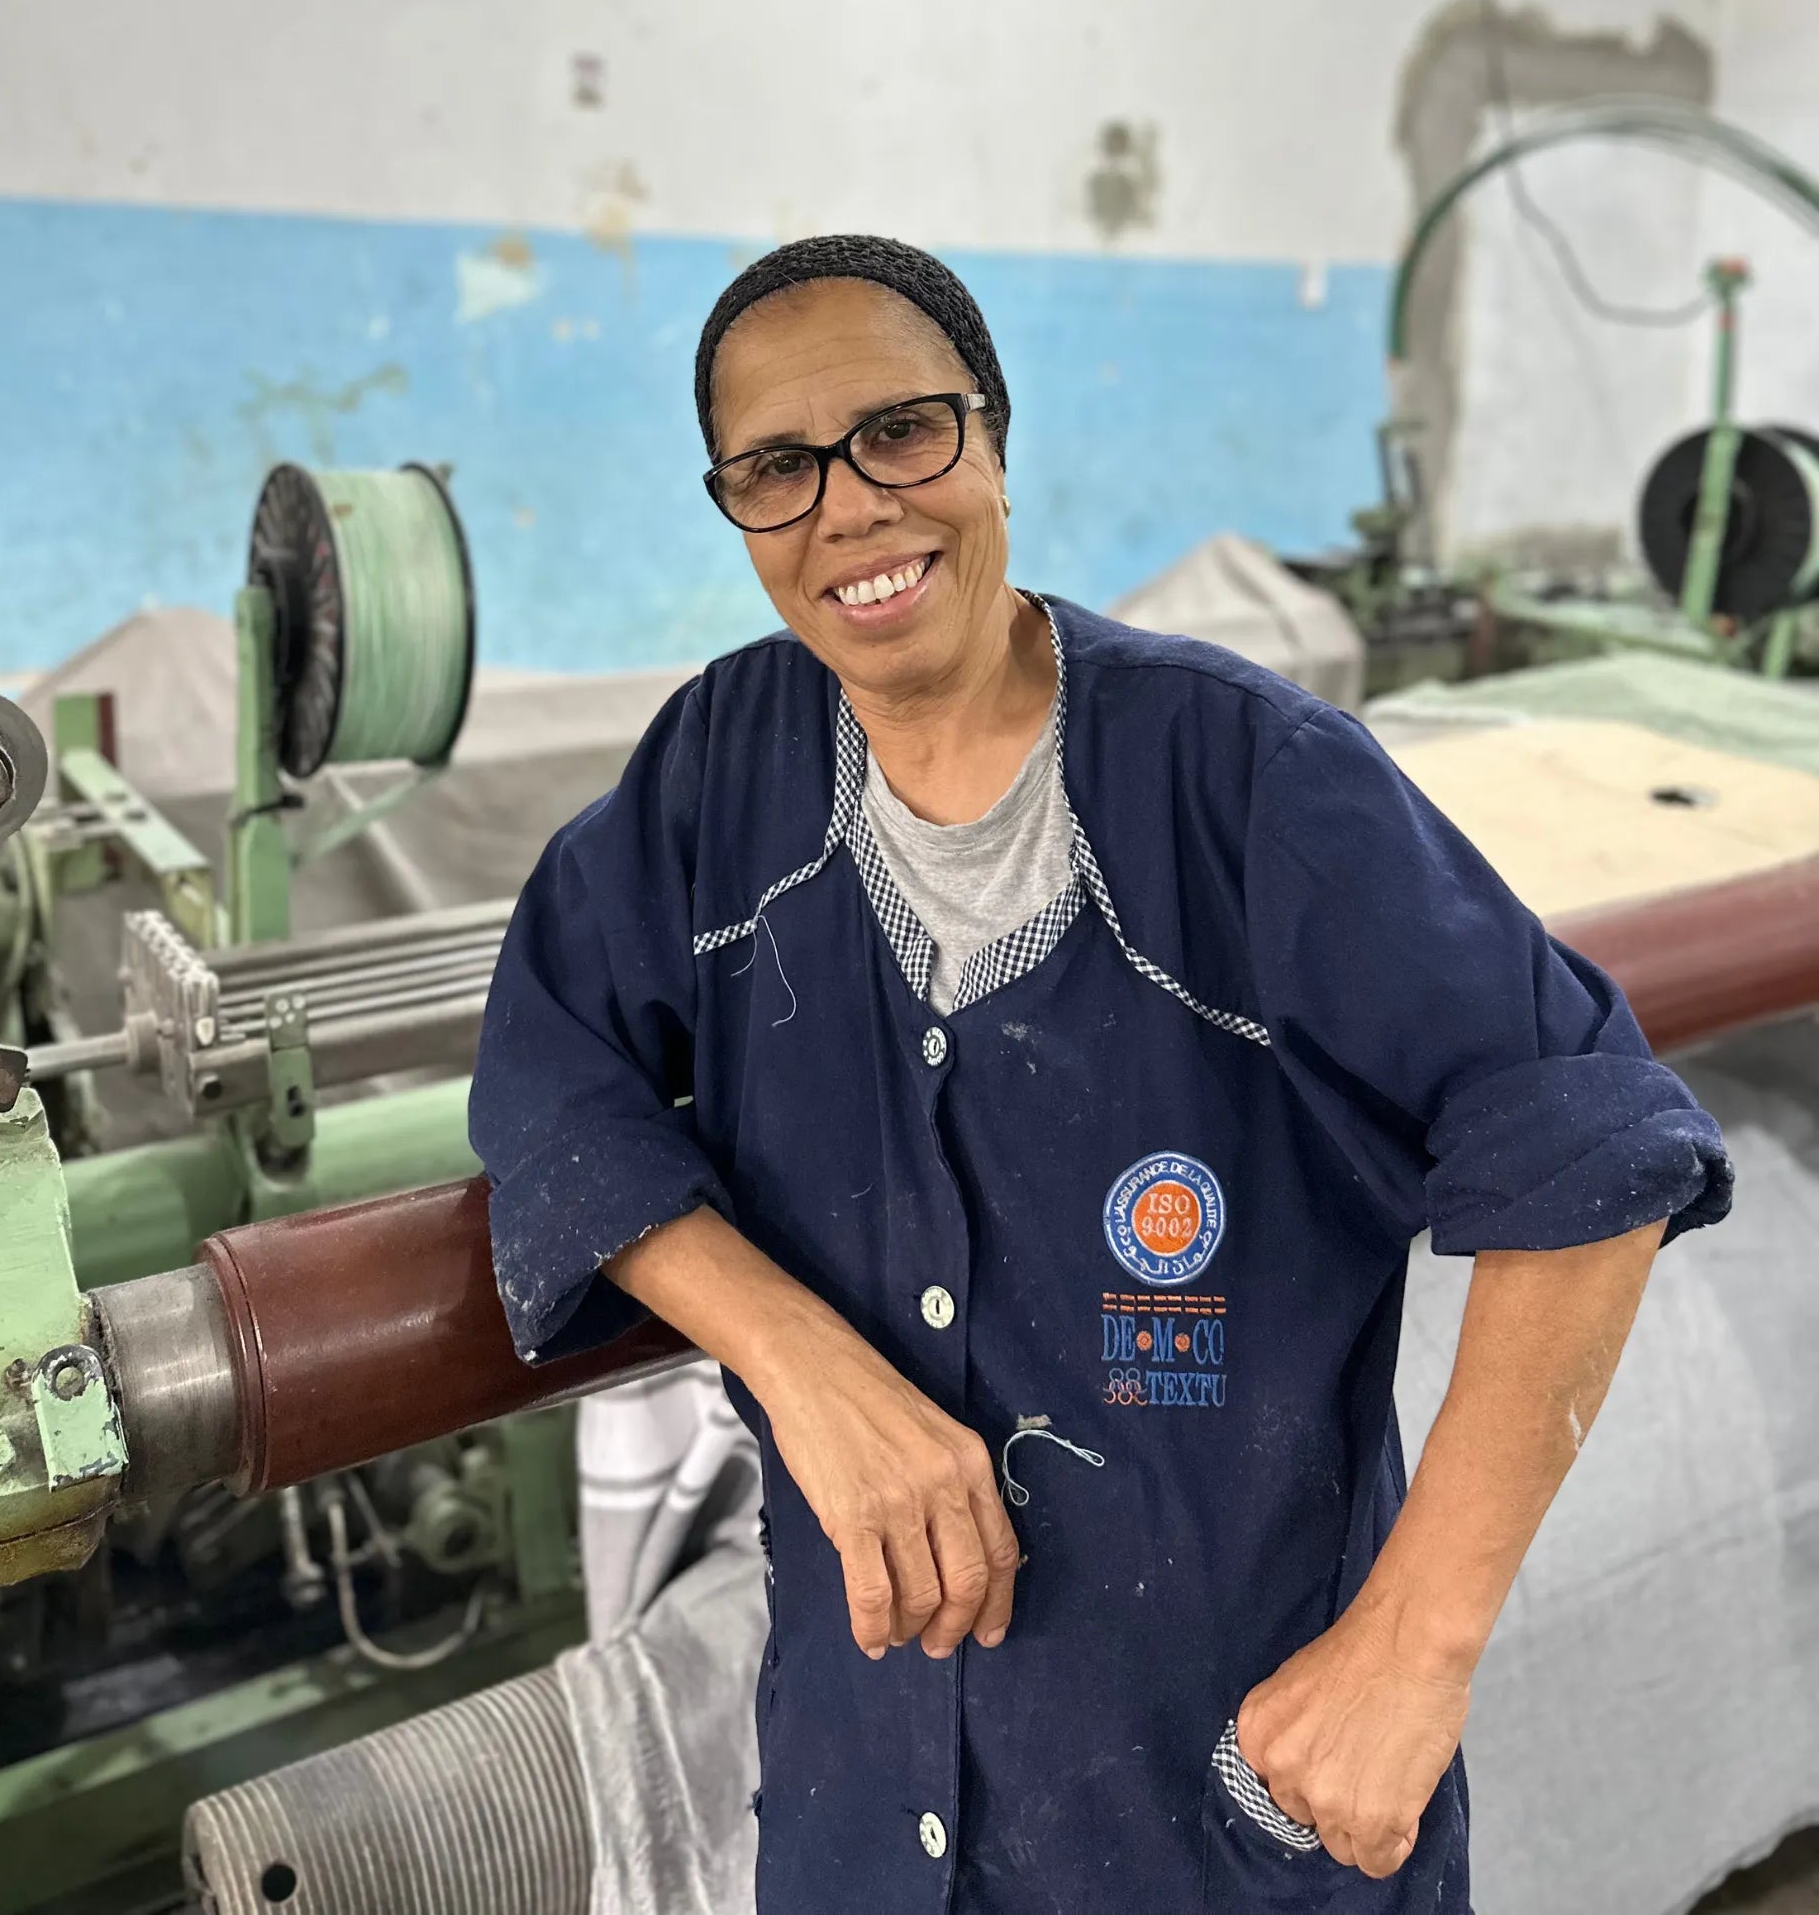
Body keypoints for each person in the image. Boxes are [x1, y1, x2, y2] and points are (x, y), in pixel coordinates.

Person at [470, 234, 1731, 1914]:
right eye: (777, 468)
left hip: (1211, 1824)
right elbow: (552, 1074)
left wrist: (1417, 1649)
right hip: (868, 1816)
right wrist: (807, 1373)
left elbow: (1587, 1137)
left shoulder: (1243, 779)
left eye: (902, 432)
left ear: (992, 439)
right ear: (736, 506)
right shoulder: (724, 774)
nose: (850, 507)